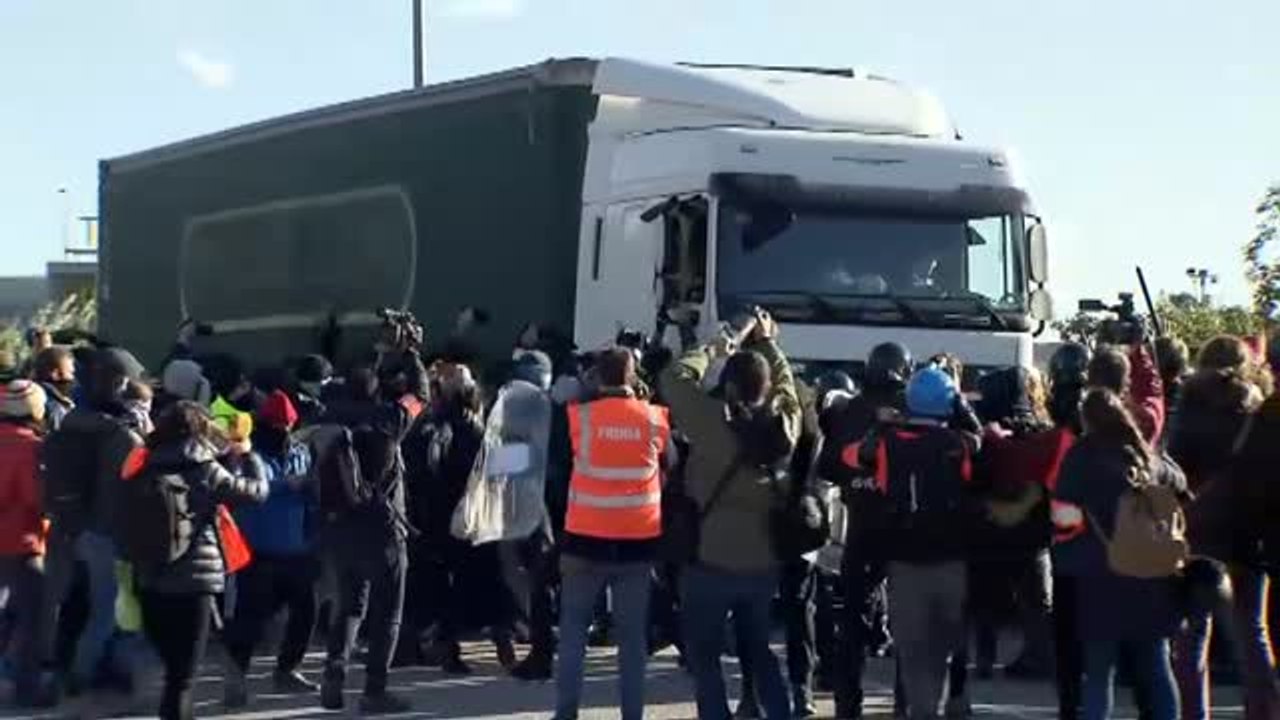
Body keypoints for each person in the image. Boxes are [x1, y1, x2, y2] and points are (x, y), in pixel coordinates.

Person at [660, 308, 801, 720]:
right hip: (762, 563)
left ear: (730, 387)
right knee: (758, 650)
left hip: (709, 560)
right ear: (768, 388)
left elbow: (674, 378)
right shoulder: (785, 426)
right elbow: (788, 387)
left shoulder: (710, 423)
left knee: (705, 659)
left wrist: (725, 340)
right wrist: (770, 344)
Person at [850, 367, 981, 720]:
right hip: (951, 560)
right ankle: (941, 705)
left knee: (913, 653)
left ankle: (918, 711)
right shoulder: (957, 445)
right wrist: (962, 407)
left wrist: (882, 424)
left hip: (904, 561)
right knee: (944, 648)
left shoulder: (887, 445)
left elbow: (859, 456)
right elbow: (977, 437)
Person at [126, 401, 267, 720]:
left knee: (172, 673)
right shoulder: (203, 467)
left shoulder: (142, 464)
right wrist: (248, 457)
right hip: (195, 582)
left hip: (149, 577)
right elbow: (255, 493)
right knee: (183, 679)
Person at [553, 347, 671, 720]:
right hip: (637, 543)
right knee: (632, 640)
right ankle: (632, 716)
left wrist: (591, 385)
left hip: (584, 539)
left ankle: (566, 713)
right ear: (634, 377)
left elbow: (569, 396)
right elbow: (672, 465)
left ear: (597, 376)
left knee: (573, 634)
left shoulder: (581, 418)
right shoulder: (655, 420)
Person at [1053, 389, 1184, 720]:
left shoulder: (1081, 457)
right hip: (1151, 576)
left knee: (1099, 673)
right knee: (1157, 666)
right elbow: (1179, 483)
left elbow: (1062, 516)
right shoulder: (1145, 455)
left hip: (1099, 577)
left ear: (1087, 419)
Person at [1168, 335, 1277, 720]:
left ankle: (1194, 713)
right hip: (1249, 532)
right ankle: (1262, 711)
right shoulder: (1258, 410)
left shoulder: (1189, 406)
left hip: (1199, 531)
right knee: (1253, 631)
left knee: (1192, 634)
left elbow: (1174, 470)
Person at [319, 356, 425, 715]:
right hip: (383, 528)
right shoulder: (389, 419)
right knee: (387, 614)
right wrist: (411, 356)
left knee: (350, 606)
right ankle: (374, 691)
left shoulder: (327, 420)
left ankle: (334, 668)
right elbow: (420, 396)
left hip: (339, 526)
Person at [42, 347, 145, 697]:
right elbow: (134, 484)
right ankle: (83, 676)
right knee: (112, 611)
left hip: (76, 527)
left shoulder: (72, 423)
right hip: (110, 530)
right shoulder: (121, 434)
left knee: (82, 606)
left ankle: (77, 670)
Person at [820, 342, 911, 719]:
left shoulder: (848, 409)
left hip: (861, 525)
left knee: (853, 625)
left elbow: (827, 466)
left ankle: (848, 706)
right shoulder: (912, 408)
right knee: (907, 623)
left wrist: (855, 478)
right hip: (904, 526)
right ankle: (904, 706)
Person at [223, 390, 319, 708]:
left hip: (297, 548)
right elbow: (245, 490)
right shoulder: (250, 456)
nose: (285, 433)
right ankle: (236, 677)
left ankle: (288, 669)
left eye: (289, 426)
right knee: (251, 618)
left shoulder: (301, 451)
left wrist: (310, 491)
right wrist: (285, 486)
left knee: (306, 611)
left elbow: (310, 489)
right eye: (279, 426)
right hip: (258, 548)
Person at [398, 362, 488, 674]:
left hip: (428, 514)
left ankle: (412, 644)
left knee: (424, 582)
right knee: (451, 584)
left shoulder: (428, 422)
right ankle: (444, 648)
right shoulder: (470, 427)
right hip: (455, 515)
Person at [969, 367, 1056, 680]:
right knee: (1037, 601)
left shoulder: (985, 432)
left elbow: (975, 477)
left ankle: (984, 657)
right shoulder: (1044, 431)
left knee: (985, 598)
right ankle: (1039, 656)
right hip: (1035, 530)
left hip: (990, 526)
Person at [0, 380, 55, 707]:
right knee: (30, 620)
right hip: (23, 542)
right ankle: (27, 690)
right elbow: (38, 498)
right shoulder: (31, 447)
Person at [31, 345, 77, 431]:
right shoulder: (56, 408)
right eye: (71, 373)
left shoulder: (28, 396)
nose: (74, 378)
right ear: (55, 374)